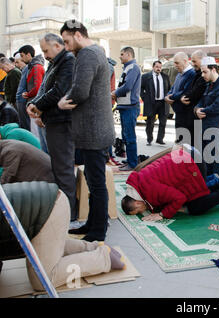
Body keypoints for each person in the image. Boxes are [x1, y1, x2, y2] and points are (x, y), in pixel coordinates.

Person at [0, 181, 125, 291]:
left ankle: (103, 257)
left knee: (42, 280)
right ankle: (93, 247)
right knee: (48, 246)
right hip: (51, 199)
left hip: (49, 210)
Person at [58, 19, 115, 242]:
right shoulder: (95, 51)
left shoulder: (88, 54)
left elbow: (80, 91)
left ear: (77, 34)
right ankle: (92, 224)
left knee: (97, 184)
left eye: (66, 41)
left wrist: (63, 102)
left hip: (94, 132)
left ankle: (98, 231)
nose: (65, 46)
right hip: (96, 130)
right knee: (93, 182)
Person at [26, 33, 78, 225]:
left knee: (63, 169)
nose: (45, 55)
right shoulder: (56, 62)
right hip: (55, 121)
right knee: (59, 168)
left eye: (46, 50)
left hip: (62, 122)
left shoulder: (68, 62)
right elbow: (45, 90)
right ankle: (64, 211)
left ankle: (69, 215)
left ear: (57, 45)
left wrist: (37, 106)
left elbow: (58, 91)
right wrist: (35, 103)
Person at [121, 145, 219, 221]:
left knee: (195, 206)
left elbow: (180, 198)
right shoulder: (138, 183)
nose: (140, 212)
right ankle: (214, 180)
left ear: (137, 203)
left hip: (193, 164)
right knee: (189, 197)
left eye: (137, 212)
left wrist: (162, 214)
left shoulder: (149, 189)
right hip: (188, 157)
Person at [194, 57, 219, 177]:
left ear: (213, 69)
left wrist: (202, 110)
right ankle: (209, 185)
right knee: (206, 160)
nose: (202, 75)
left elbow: (218, 107)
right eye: (202, 71)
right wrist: (196, 110)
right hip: (205, 127)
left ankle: (218, 184)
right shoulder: (209, 85)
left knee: (216, 160)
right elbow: (201, 101)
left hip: (216, 128)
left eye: (205, 72)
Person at [112, 47, 141, 171]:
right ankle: (130, 160)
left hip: (130, 107)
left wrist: (114, 93)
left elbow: (128, 86)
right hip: (125, 107)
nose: (120, 56)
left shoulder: (133, 68)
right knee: (126, 136)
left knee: (129, 137)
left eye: (122, 54)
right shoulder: (128, 68)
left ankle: (132, 163)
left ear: (129, 55)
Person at [165, 52, 196, 145]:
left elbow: (185, 92)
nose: (175, 65)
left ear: (185, 61)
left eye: (177, 63)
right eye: (174, 63)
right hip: (179, 113)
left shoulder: (192, 74)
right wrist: (167, 96)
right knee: (180, 141)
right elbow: (173, 88)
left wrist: (171, 97)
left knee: (186, 143)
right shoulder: (179, 74)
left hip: (187, 115)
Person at [181, 50, 208, 146]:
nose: (192, 64)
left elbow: (194, 94)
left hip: (198, 118)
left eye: (194, 61)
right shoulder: (196, 74)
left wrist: (185, 97)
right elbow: (189, 91)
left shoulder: (202, 77)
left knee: (196, 148)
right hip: (192, 116)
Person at [141, 60, 171, 146]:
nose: (159, 69)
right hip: (151, 102)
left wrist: (168, 97)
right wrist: (144, 98)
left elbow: (169, 88)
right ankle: (149, 139)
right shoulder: (146, 77)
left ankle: (160, 139)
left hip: (163, 102)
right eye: (157, 67)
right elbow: (140, 88)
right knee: (150, 122)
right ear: (153, 67)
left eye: (160, 67)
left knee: (163, 122)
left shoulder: (165, 77)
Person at [14, 52, 31, 130]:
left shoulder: (27, 69)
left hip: (23, 99)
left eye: (18, 62)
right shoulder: (24, 70)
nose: (16, 65)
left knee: (26, 123)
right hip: (21, 99)